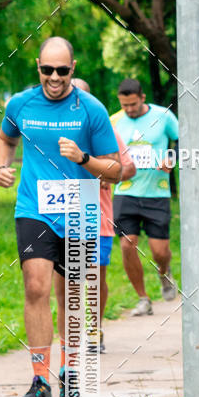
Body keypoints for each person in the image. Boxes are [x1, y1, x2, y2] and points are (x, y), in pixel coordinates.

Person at [0, 36, 122, 397]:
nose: (54, 77)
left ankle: (70, 374)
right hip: (34, 208)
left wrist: (83, 158)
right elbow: (5, 140)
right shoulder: (20, 103)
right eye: (47, 69)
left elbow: (115, 169)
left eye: (62, 70)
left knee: (71, 295)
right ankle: (39, 381)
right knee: (35, 287)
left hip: (80, 209)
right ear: (38, 67)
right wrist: (1, 166)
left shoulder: (91, 110)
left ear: (73, 68)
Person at [65, 78, 136, 355]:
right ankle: (69, 334)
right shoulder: (52, 128)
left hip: (96, 213)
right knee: (70, 278)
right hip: (58, 213)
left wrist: (107, 174)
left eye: (80, 96)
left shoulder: (104, 128)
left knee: (94, 275)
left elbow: (128, 168)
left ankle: (94, 329)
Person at [112, 78, 179, 316]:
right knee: (127, 244)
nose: (129, 110)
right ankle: (143, 298)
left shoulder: (163, 116)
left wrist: (171, 158)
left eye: (133, 104)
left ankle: (164, 272)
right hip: (125, 191)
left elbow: (182, 139)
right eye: (125, 105)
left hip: (156, 192)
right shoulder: (114, 121)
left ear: (142, 97)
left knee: (159, 252)